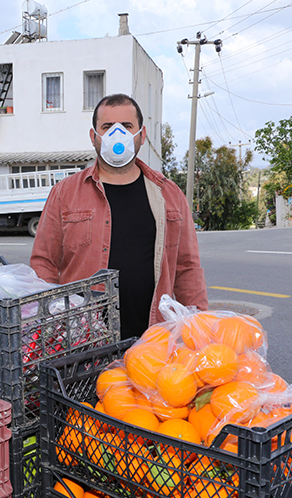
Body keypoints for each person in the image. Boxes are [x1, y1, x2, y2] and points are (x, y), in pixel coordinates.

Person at [31, 93, 208, 339]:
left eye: (126, 126)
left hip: (154, 342)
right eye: (107, 127)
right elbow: (44, 263)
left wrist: (200, 329)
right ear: (94, 137)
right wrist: (50, 326)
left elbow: (187, 268)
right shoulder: (65, 193)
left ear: (141, 135)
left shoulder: (170, 194)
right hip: (82, 344)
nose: (118, 134)